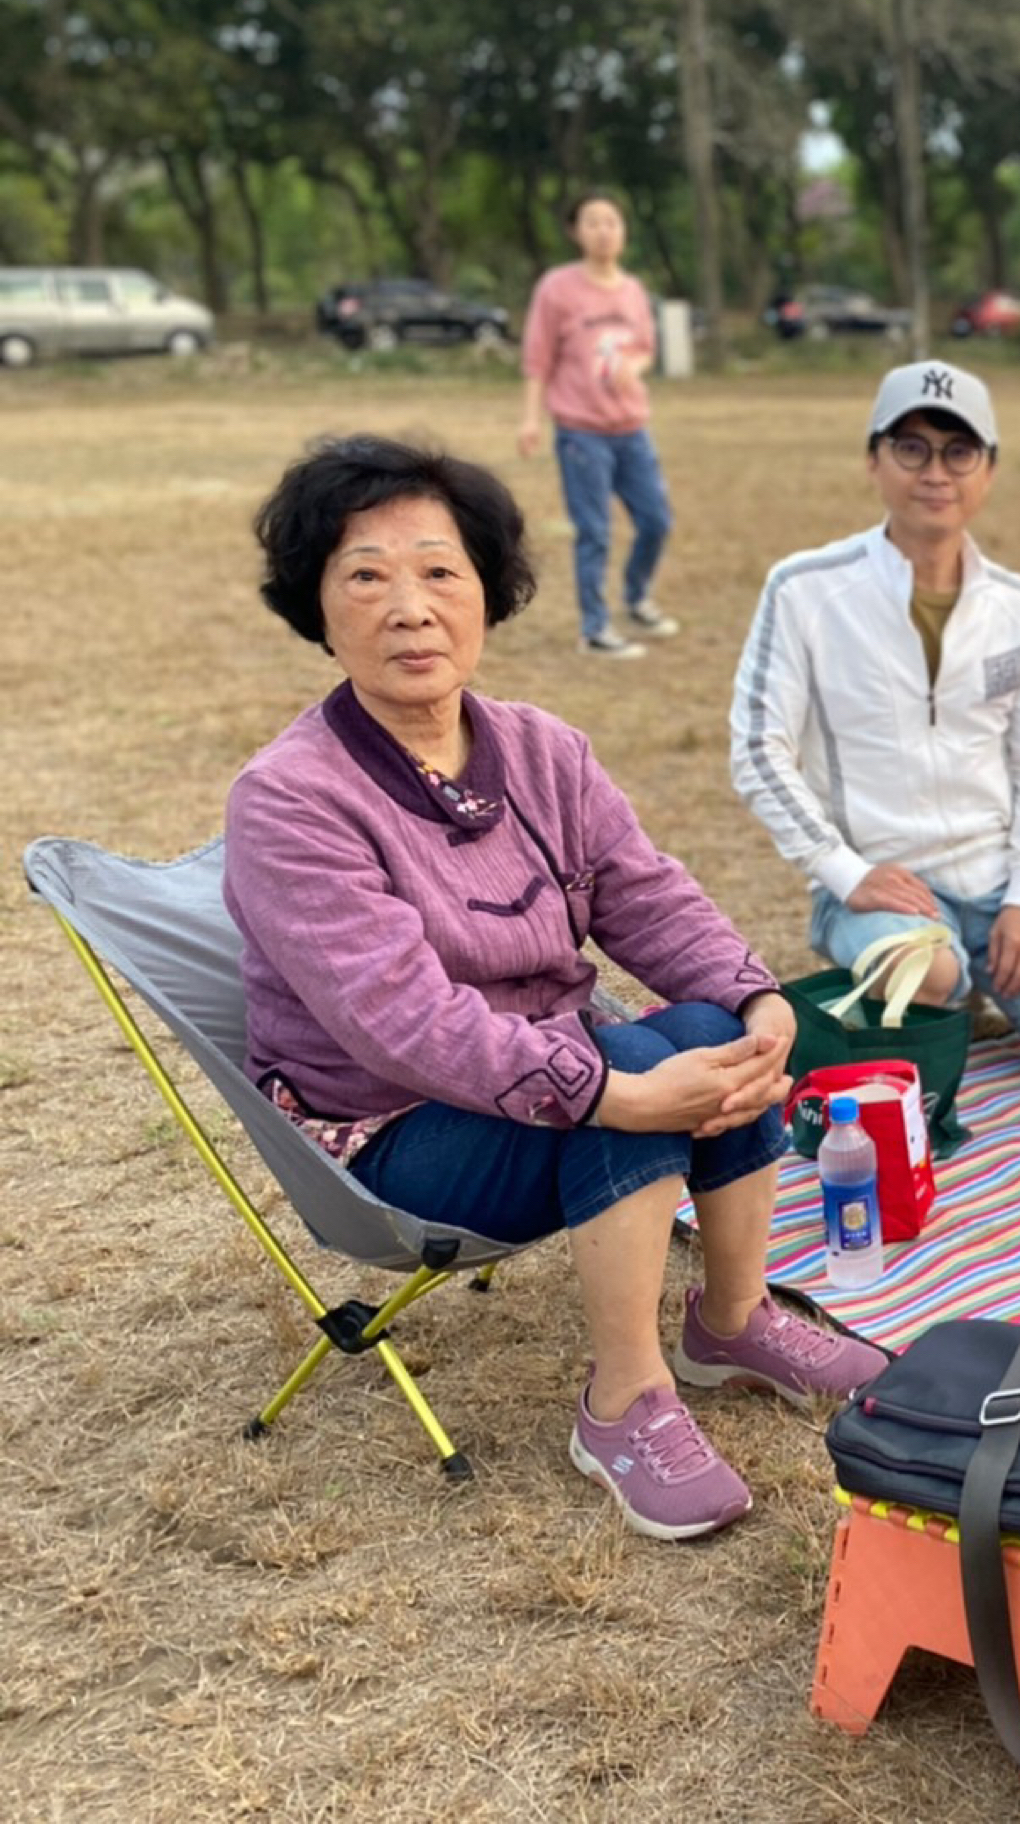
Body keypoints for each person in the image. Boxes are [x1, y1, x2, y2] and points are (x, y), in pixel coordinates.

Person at [226, 435, 884, 1544]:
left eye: (440, 570)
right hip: (395, 1130)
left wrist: (759, 1003)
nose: (410, 608)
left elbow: (647, 896)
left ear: (487, 592)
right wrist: (614, 1092)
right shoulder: (290, 799)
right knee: (627, 1060)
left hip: (552, 1068)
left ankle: (730, 1321)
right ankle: (622, 1401)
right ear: (318, 610)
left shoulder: (542, 749)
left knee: (709, 1029)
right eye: (366, 576)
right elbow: (401, 1023)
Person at [730, 359, 1020, 1074]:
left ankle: (972, 978)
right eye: (911, 448)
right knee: (926, 974)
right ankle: (934, 984)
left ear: (989, 471)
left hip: (997, 879)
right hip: (882, 881)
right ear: (873, 461)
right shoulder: (804, 589)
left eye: (959, 451)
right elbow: (758, 749)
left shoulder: (1018, 608)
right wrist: (845, 872)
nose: (936, 472)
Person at [517, 189, 677, 658]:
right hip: (581, 431)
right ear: (576, 232)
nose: (604, 231)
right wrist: (530, 419)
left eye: (612, 222)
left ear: (623, 231)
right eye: (592, 222)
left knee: (656, 521)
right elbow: (537, 359)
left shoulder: (633, 290)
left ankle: (637, 597)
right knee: (595, 532)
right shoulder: (557, 288)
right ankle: (595, 629)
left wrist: (633, 367)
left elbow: (645, 348)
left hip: (632, 428)